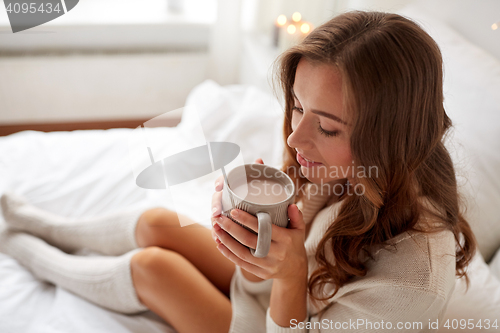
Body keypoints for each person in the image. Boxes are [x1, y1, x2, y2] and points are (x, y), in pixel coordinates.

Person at [0, 10, 476, 333]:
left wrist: (290, 276)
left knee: (154, 268)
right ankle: (41, 225)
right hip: (267, 290)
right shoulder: (354, 166)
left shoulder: (411, 283)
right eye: (296, 107)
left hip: (274, 319)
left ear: (389, 133)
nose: (294, 138)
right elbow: (277, 247)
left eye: (326, 127)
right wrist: (250, 217)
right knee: (156, 222)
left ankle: (23, 250)